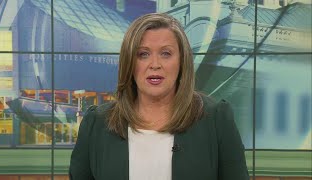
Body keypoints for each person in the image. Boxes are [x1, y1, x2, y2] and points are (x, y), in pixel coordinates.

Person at [69, 13, 249, 180]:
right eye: (143, 54)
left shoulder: (216, 119)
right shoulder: (97, 123)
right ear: (129, 62)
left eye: (166, 53)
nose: (155, 64)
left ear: (181, 61)